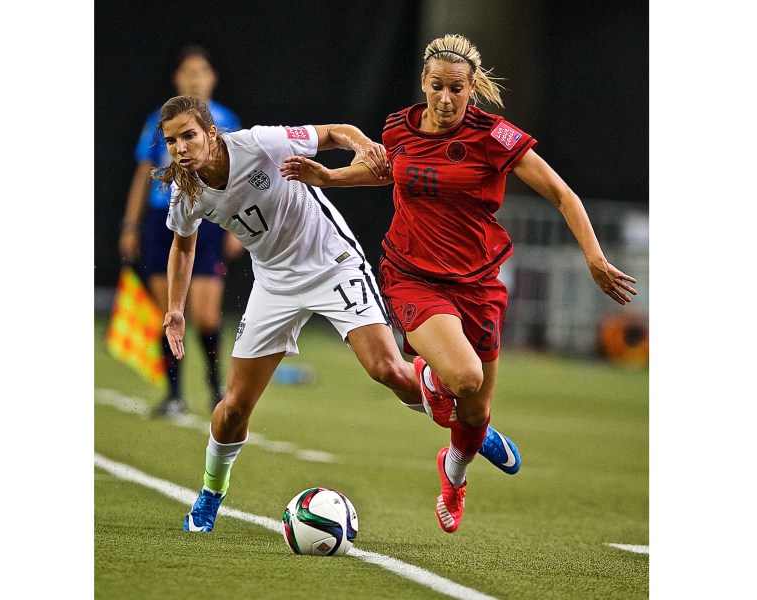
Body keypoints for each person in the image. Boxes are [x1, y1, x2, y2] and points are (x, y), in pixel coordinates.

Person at [281, 33, 638, 534]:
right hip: (413, 276)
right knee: (465, 379)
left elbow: (561, 192)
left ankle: (454, 474)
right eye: (437, 87)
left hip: (479, 284)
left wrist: (595, 258)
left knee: (475, 413)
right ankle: (432, 380)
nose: (445, 99)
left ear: (472, 89)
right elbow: (388, 172)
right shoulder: (399, 127)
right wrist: (331, 178)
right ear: (423, 84)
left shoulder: (493, 136)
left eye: (456, 89)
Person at [151, 95, 523, 533]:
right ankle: (211, 493)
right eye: (172, 141)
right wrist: (176, 308)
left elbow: (330, 133)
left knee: (389, 370)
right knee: (233, 408)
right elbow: (183, 244)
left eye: (189, 135)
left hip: (332, 263)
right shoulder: (185, 190)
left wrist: (363, 145)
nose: (181, 148)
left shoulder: (257, 144)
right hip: (274, 282)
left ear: (212, 134)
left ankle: (473, 430)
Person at [118, 45, 244, 417]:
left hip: (208, 221)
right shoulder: (161, 122)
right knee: (167, 312)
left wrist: (235, 227)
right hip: (162, 221)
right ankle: (173, 395)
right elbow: (145, 173)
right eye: (187, 71)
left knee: (206, 316)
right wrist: (130, 224)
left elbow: (237, 176)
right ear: (176, 78)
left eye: (201, 71)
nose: (194, 78)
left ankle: (216, 389)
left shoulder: (226, 120)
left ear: (212, 78)